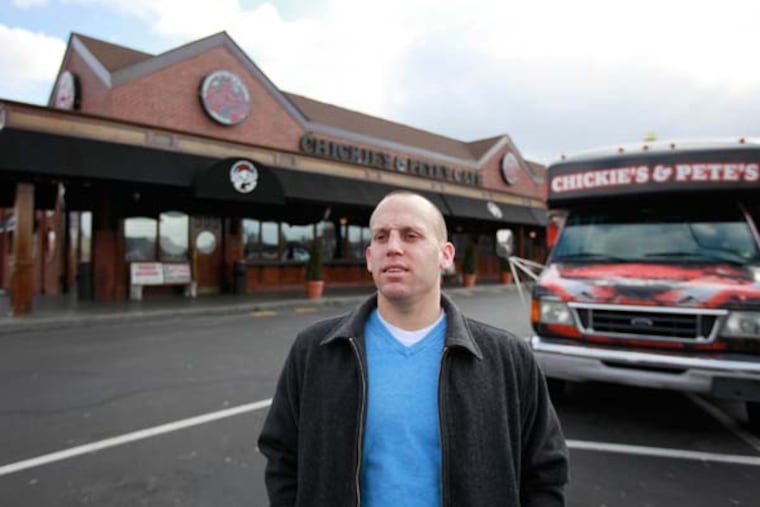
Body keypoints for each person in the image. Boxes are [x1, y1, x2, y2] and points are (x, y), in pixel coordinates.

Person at [258, 191, 568, 506]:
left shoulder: (508, 359)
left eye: (411, 235)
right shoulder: (315, 350)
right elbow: (282, 456)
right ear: (369, 257)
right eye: (381, 237)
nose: (393, 247)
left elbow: (545, 471)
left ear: (445, 256)